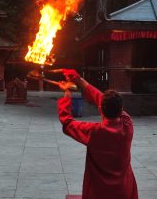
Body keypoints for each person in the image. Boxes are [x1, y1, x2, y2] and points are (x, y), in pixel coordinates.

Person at [57, 69, 138, 199]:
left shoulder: (94, 132)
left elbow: (67, 123)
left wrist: (67, 92)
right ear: (121, 110)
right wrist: (79, 80)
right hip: (124, 189)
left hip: (98, 191)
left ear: (100, 109)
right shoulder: (127, 125)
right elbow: (101, 99)